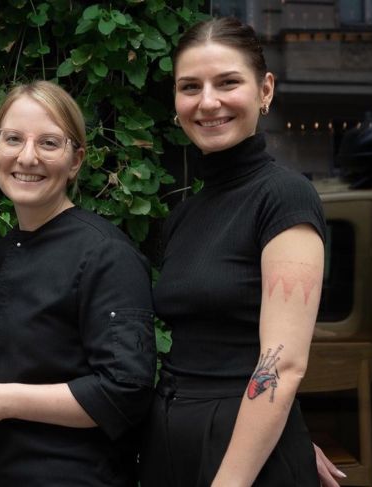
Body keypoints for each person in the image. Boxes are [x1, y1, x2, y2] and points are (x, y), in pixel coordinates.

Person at [138, 17, 345, 487]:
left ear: (264, 89)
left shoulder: (284, 196)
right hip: (172, 442)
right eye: (190, 87)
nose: (207, 102)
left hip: (239, 467)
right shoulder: (186, 213)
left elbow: (283, 365)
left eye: (227, 82)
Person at [0, 81, 156, 486]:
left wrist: (2, 400)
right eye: (13, 139)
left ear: (76, 160)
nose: (28, 156)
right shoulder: (3, 248)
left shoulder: (106, 254)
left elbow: (125, 390)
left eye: (50, 143)